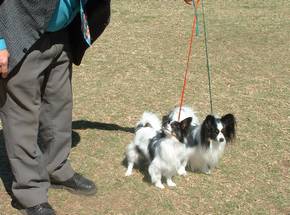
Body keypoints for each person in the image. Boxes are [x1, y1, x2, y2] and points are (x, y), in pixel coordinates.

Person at [0, 0, 192, 214]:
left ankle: (56, 168)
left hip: (60, 34)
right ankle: (30, 192)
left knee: (59, 108)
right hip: (20, 33)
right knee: (22, 118)